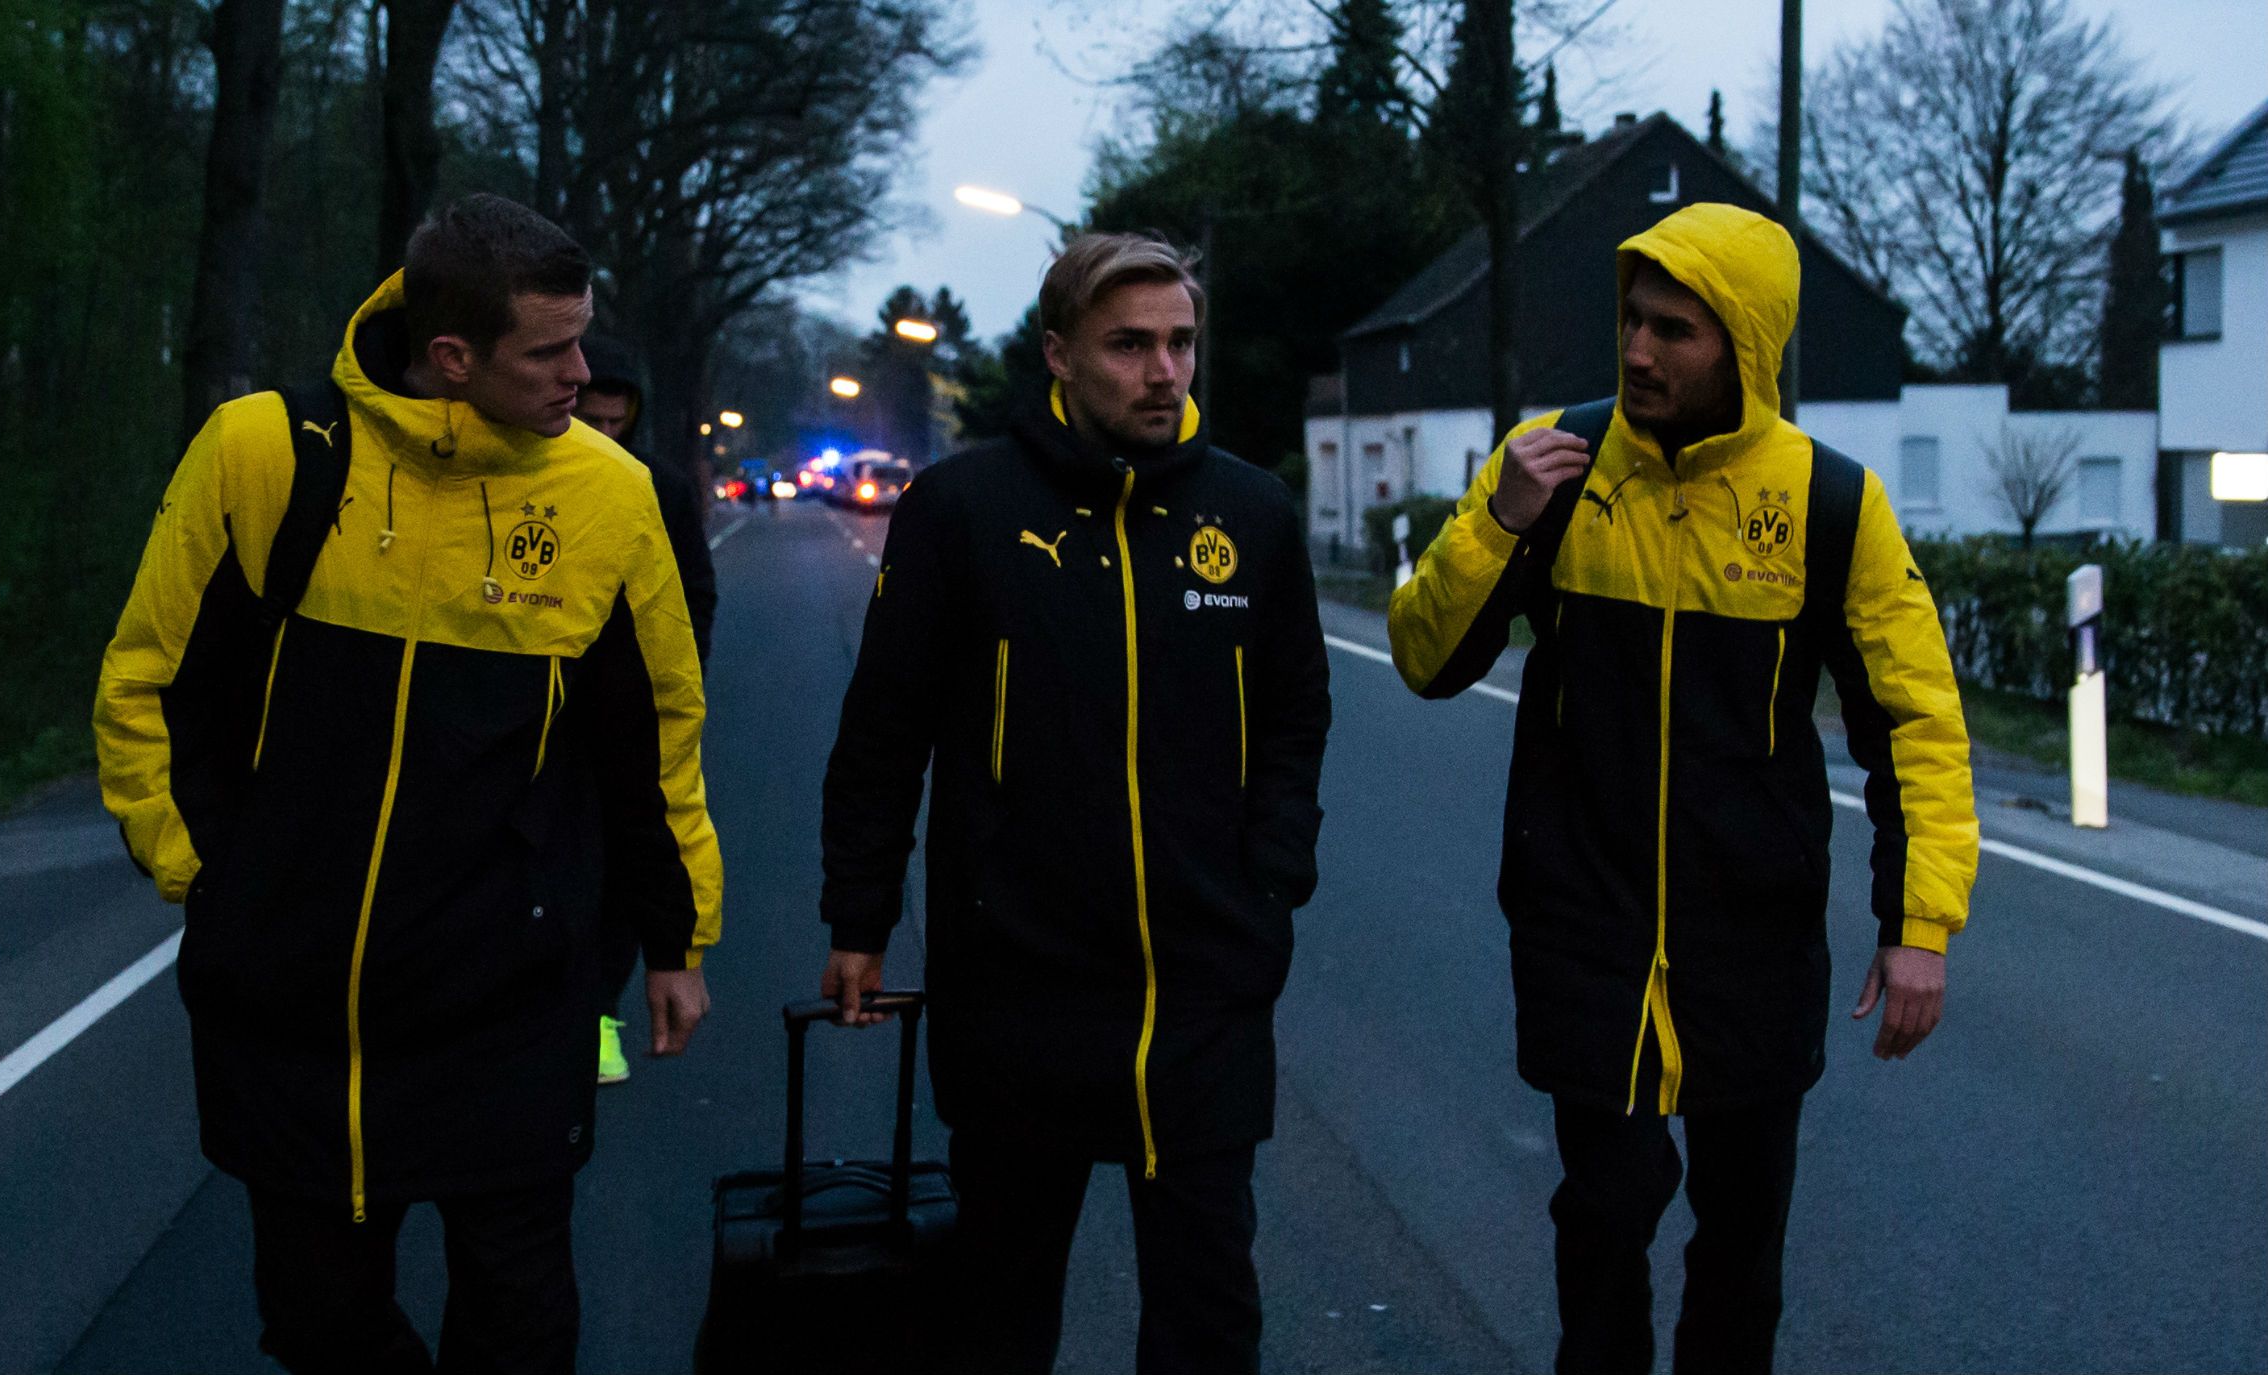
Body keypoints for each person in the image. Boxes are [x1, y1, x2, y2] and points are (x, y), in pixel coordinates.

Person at [94, 193, 722, 1375]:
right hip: (298, 1004)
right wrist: (215, 882)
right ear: (452, 356)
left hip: (513, 995)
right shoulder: (263, 453)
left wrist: (674, 941)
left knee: (522, 1318)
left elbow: (657, 744)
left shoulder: (610, 496)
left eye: (582, 340)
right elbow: (146, 685)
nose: (580, 375)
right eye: (549, 351)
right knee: (316, 1320)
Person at [1385, 202, 1978, 1374]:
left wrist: (1917, 928)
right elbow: (1422, 658)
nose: (1638, 351)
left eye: (1674, 330)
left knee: (1740, 1244)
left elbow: (1915, 723)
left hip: (1748, 941)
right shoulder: (1549, 461)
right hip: (1582, 927)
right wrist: (1496, 525)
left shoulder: (1829, 504)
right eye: (1629, 321)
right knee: (1602, 1214)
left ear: (1744, 345)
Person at [817, 232, 1332, 1375]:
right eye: (1128, 345)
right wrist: (857, 914)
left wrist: (1272, 869)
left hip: (1202, 984)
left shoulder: (1248, 513)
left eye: (1180, 342)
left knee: (1207, 1317)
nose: (1163, 371)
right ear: (1058, 354)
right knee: (1000, 1312)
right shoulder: (960, 508)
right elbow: (883, 730)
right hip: (1018, 983)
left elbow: (1296, 709)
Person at [572, 333, 720, 1087]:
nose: (601, 436)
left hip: (628, 714)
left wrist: (671, 683)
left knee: (630, 861)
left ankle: (598, 1012)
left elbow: (695, 593)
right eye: (587, 419)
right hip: (545, 712)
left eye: (613, 423)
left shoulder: (659, 487)